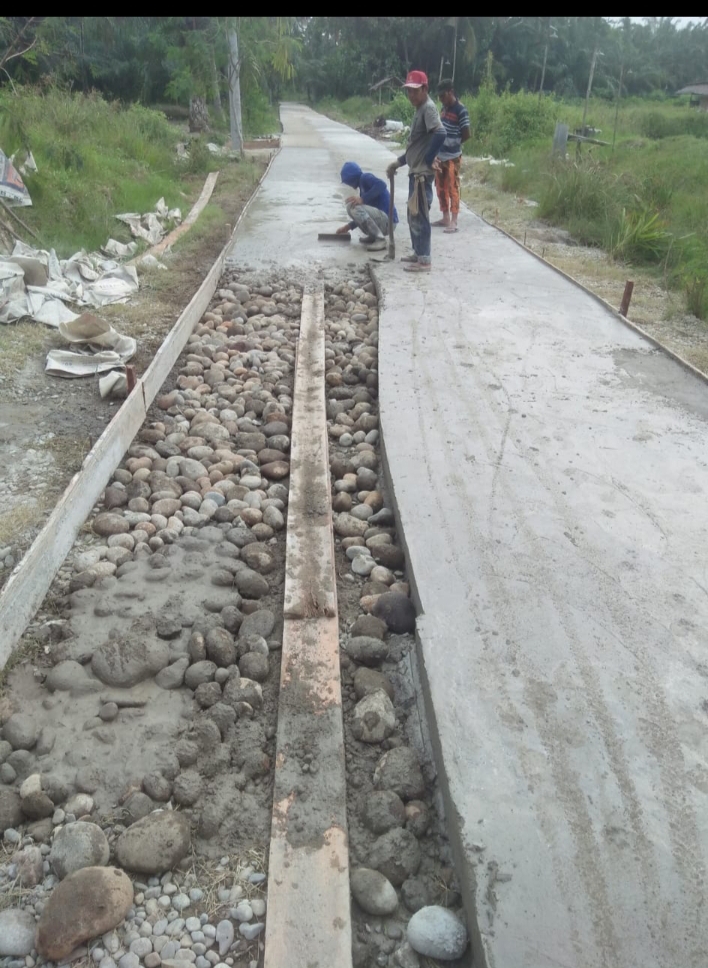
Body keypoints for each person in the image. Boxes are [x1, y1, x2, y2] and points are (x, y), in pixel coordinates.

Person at [386, 70, 446, 272]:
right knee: (413, 215)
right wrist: (398, 162)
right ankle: (418, 252)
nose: (411, 95)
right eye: (409, 91)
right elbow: (416, 146)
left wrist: (429, 159)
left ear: (424, 89)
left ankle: (425, 260)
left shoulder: (428, 108)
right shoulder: (420, 109)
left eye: (415, 91)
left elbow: (441, 133)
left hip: (421, 174)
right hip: (415, 171)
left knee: (420, 216)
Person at [433, 79, 470, 233]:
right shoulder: (444, 109)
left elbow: (467, 133)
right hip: (440, 155)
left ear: (451, 92)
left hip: (453, 155)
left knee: (452, 187)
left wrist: (454, 142)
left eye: (443, 96)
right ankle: (445, 217)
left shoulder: (461, 110)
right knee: (440, 187)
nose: (441, 99)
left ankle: (454, 221)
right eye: (439, 96)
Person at [336, 161, 398, 252]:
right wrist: (348, 227)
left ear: (351, 178)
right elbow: (364, 215)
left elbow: (382, 185)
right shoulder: (362, 188)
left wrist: (362, 199)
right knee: (352, 206)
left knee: (353, 207)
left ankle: (380, 239)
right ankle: (373, 236)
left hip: (389, 221)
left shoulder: (365, 177)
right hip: (384, 221)